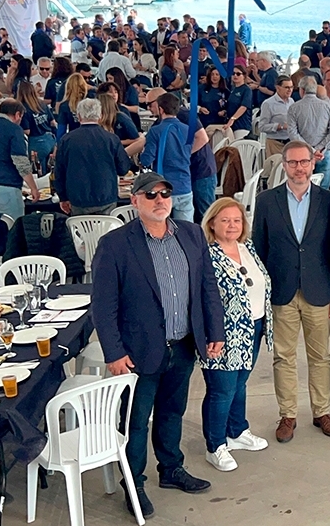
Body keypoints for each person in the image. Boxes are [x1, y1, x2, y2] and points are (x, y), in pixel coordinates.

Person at [92, 172, 225, 519]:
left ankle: (171, 468)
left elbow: (207, 287)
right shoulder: (116, 244)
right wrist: (114, 353)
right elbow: (103, 305)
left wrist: (215, 330)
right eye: (150, 195)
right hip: (137, 353)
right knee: (136, 422)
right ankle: (133, 483)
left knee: (172, 411)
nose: (160, 199)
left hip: (182, 344)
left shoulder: (193, 234)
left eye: (165, 193)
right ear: (134, 201)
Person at [252, 141, 330, 442]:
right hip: (282, 292)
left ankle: (321, 412)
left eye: (304, 162)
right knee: (283, 357)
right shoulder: (267, 201)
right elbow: (260, 251)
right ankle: (288, 415)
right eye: (292, 163)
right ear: (284, 165)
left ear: (313, 163)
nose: (299, 168)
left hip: (319, 290)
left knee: (321, 356)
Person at [199, 198, 271, 472]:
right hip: (223, 334)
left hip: (252, 327)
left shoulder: (247, 247)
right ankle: (215, 445)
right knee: (222, 389)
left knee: (240, 383)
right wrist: (210, 334)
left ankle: (237, 430)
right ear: (212, 224)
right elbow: (204, 298)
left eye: (237, 220)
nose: (231, 225)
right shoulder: (207, 256)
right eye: (225, 220)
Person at [52, 98, 132, 216]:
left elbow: (59, 172)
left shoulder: (66, 140)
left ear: (79, 116)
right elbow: (123, 168)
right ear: (100, 116)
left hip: (78, 199)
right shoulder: (111, 139)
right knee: (106, 231)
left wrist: (62, 197)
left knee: (82, 231)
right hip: (106, 196)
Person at [141, 92, 204, 222]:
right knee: (186, 229)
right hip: (185, 185)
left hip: (163, 188)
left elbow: (147, 160)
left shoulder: (156, 130)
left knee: (161, 229)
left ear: (161, 109)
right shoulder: (188, 130)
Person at [285, 75, 330, 189]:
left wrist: (311, 150)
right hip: (323, 154)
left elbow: (292, 133)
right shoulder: (327, 107)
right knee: (323, 191)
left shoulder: (294, 108)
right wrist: (320, 149)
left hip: (301, 156)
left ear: (302, 90)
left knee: (302, 188)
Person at [15, 81, 57, 174]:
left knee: (37, 173)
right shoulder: (42, 104)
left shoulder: (23, 108)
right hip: (50, 140)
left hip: (36, 143)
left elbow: (27, 131)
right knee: (50, 172)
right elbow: (53, 122)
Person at [258, 75, 294, 157]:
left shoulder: (291, 101)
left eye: (291, 87)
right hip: (274, 144)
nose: (290, 90)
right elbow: (262, 126)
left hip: (289, 143)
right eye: (287, 87)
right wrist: (280, 126)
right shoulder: (268, 104)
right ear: (278, 88)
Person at [223, 65, 253, 137]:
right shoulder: (233, 89)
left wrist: (232, 119)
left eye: (238, 74)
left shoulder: (246, 90)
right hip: (231, 126)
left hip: (242, 125)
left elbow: (244, 107)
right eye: (233, 74)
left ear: (244, 76)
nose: (235, 76)